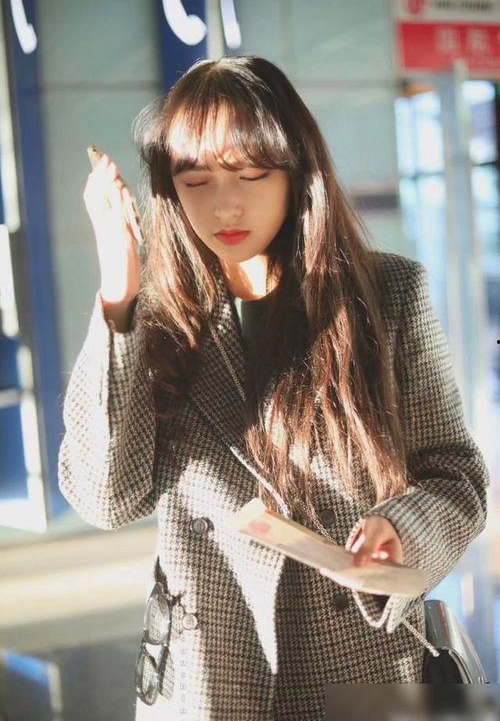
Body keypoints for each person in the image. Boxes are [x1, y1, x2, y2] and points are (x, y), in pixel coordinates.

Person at [58, 55, 490, 720]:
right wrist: (119, 294)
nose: (224, 205)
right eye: (195, 180)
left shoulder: (386, 296)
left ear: (296, 170)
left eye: (252, 174)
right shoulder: (158, 323)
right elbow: (106, 498)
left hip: (360, 662)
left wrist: (401, 530)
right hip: (209, 671)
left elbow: (455, 477)